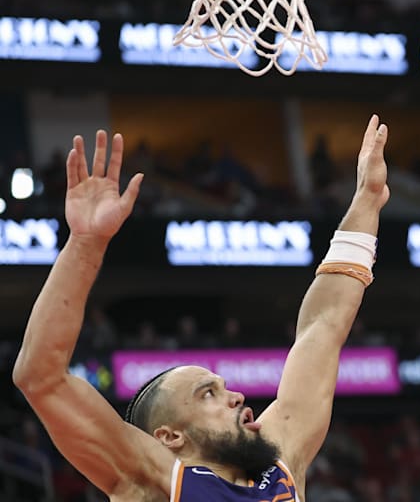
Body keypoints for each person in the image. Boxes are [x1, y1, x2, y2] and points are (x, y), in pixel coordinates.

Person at [13, 114, 391, 501]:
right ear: (170, 436)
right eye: (207, 394)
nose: (237, 397)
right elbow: (41, 378)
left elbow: (323, 328)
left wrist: (366, 202)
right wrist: (85, 243)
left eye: (222, 388)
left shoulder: (280, 463)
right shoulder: (153, 482)